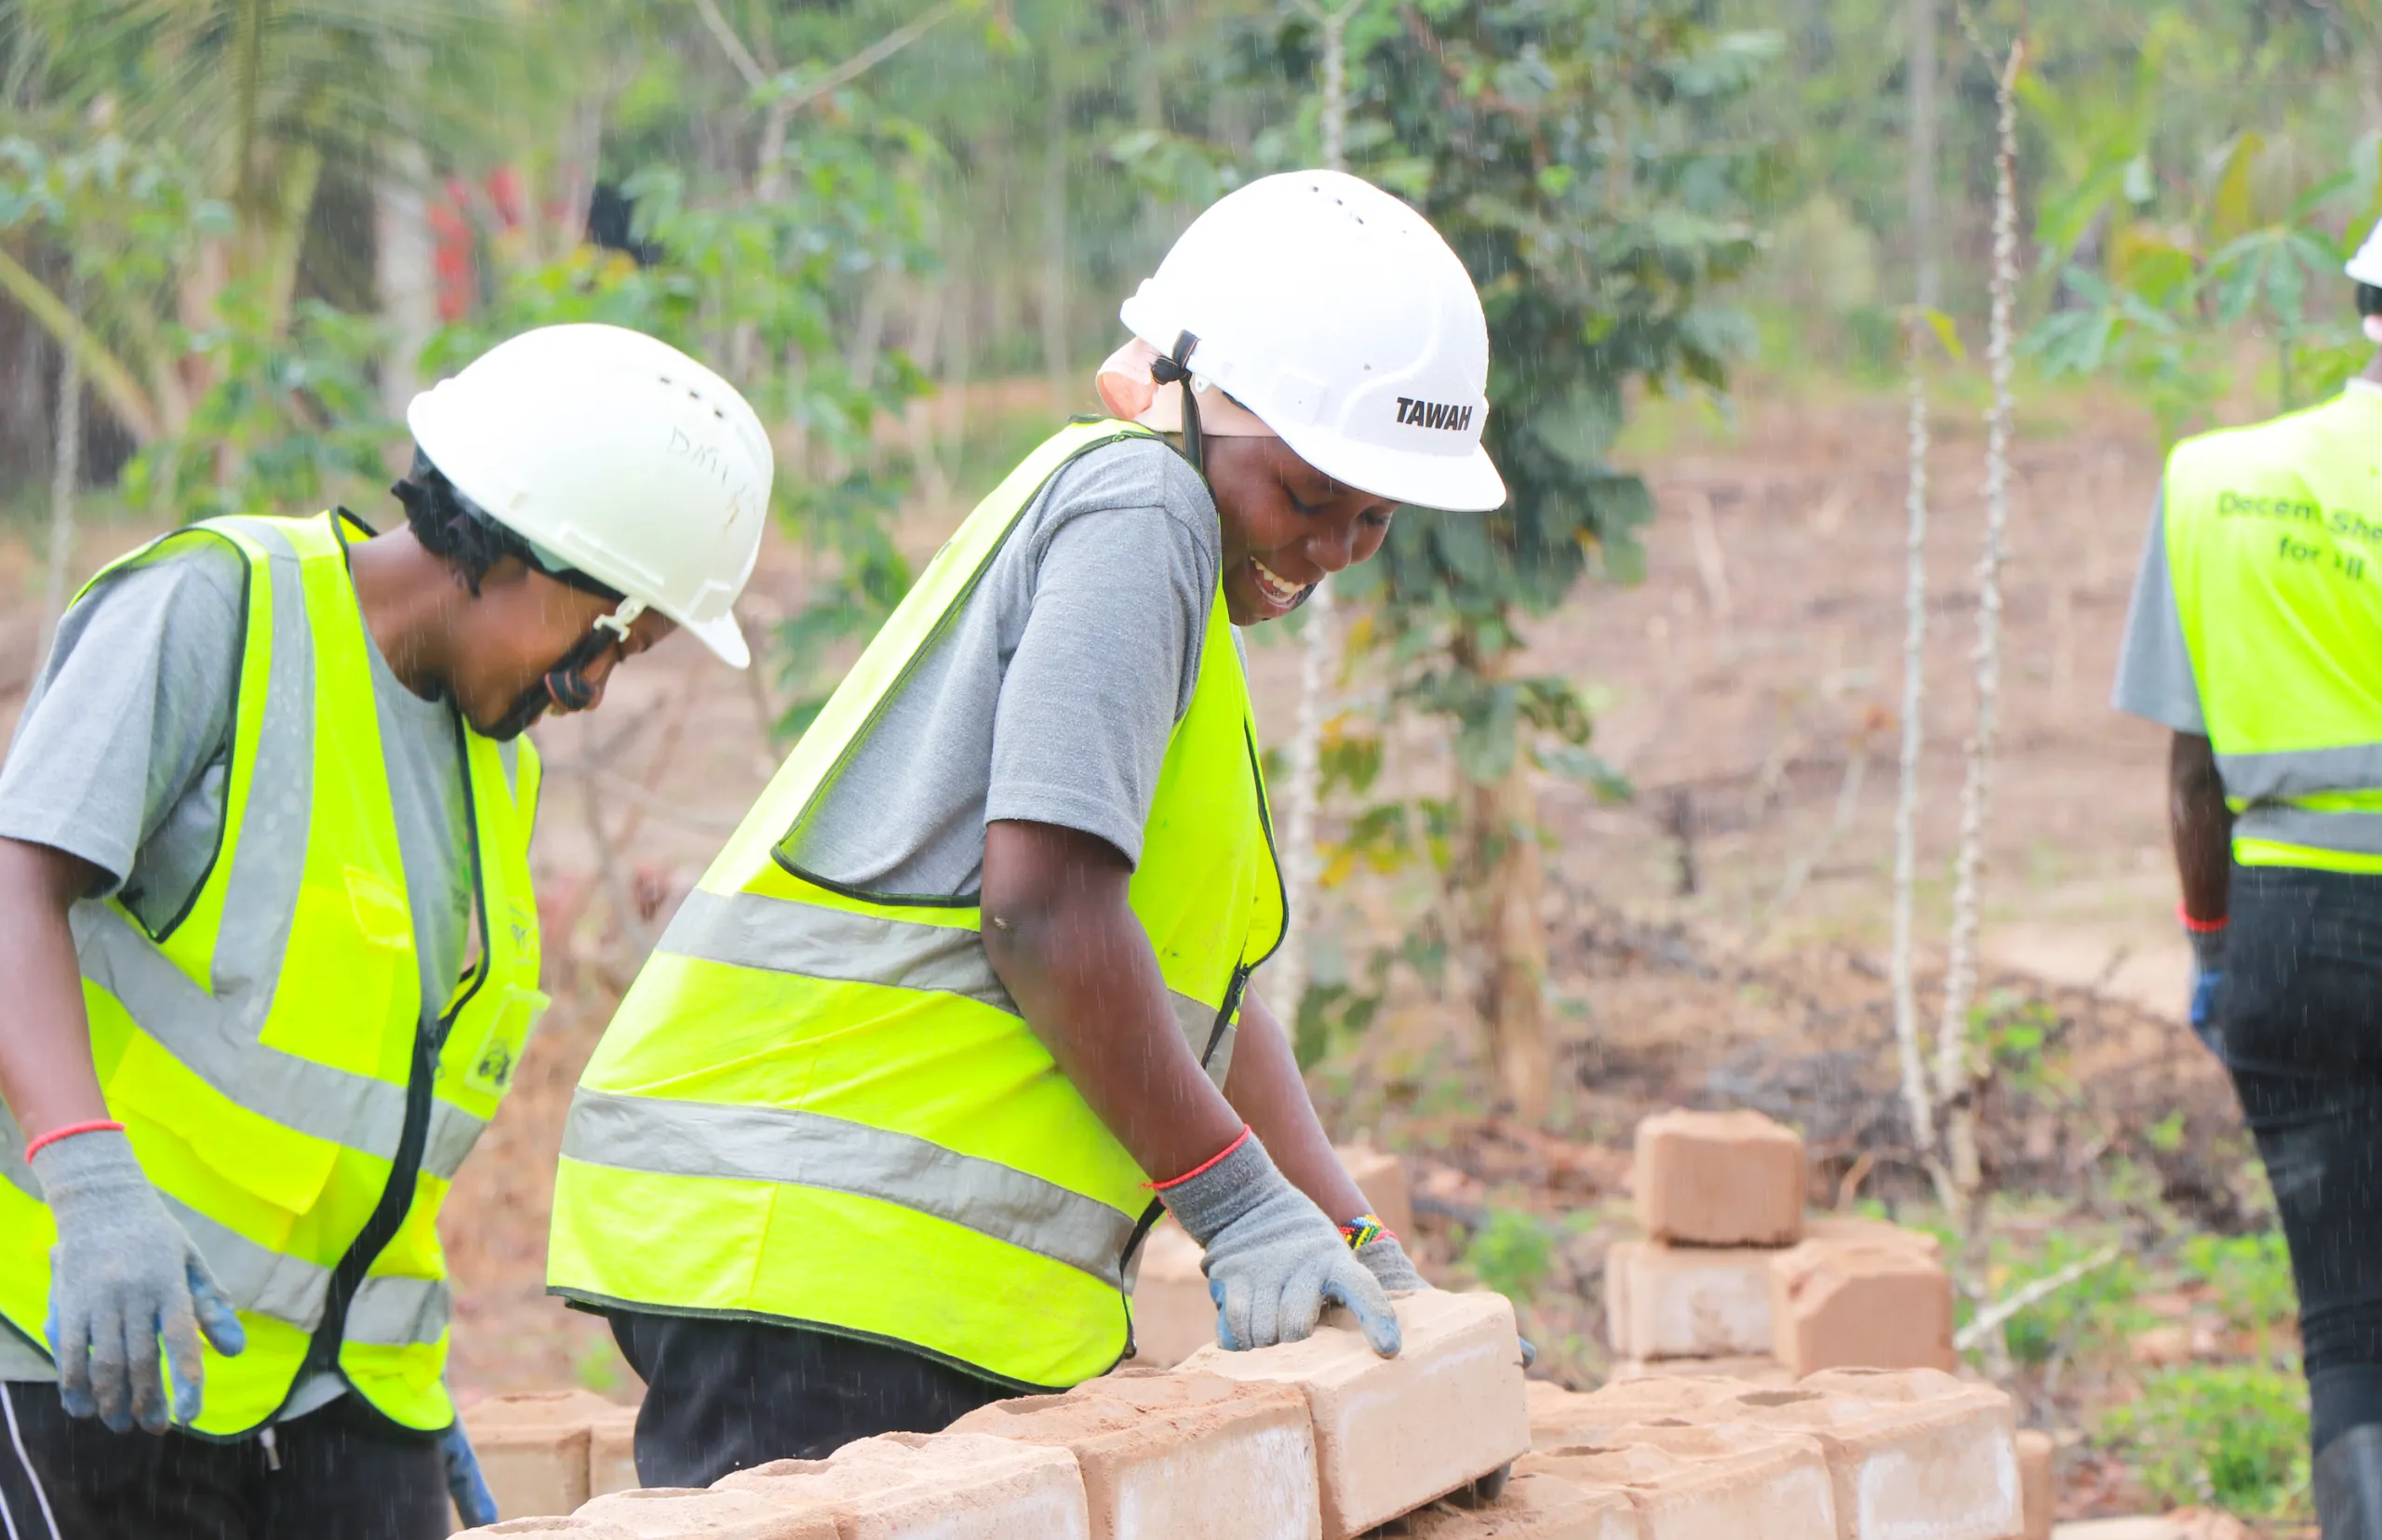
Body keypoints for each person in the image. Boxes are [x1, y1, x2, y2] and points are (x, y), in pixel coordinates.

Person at [544, 169, 1510, 1487]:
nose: (1336, 546)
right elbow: (1043, 911)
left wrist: (1352, 1235)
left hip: (856, 1278)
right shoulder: (1142, 512)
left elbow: (1210, 1015)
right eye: (1307, 493)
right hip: (827, 1258)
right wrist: (1229, 1201)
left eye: (1375, 518)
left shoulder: (1168, 577)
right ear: (1190, 394)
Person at [0, 323, 773, 1540]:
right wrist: (91, 1180)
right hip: (95, 1348)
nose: (593, 688)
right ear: (527, 553)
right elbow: (14, 882)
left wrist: (370, 1343)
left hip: (340, 1398)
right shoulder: (221, 610)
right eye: (604, 643)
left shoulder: (489, 758)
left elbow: (367, 1091)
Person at [2113, 219, 2382, 1540]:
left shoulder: (2219, 481)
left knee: (2346, 1325)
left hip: (2291, 933)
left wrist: (2215, 951)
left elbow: (2190, 773)